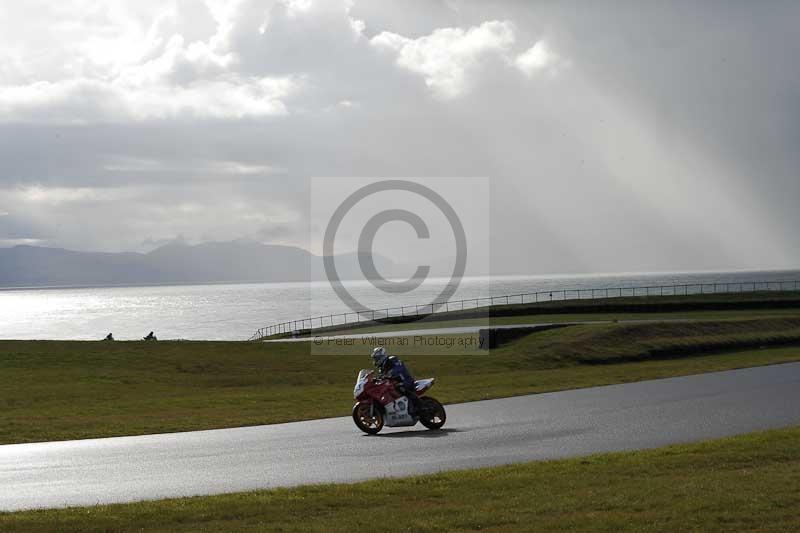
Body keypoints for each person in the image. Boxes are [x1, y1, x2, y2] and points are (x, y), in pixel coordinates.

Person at [371, 346, 420, 416]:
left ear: (382, 356)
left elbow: (399, 367)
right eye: (375, 359)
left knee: (400, 388)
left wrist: (391, 373)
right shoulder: (381, 368)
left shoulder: (392, 359)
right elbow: (382, 377)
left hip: (405, 380)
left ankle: (416, 407)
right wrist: (375, 380)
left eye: (376, 358)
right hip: (395, 383)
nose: (375, 360)